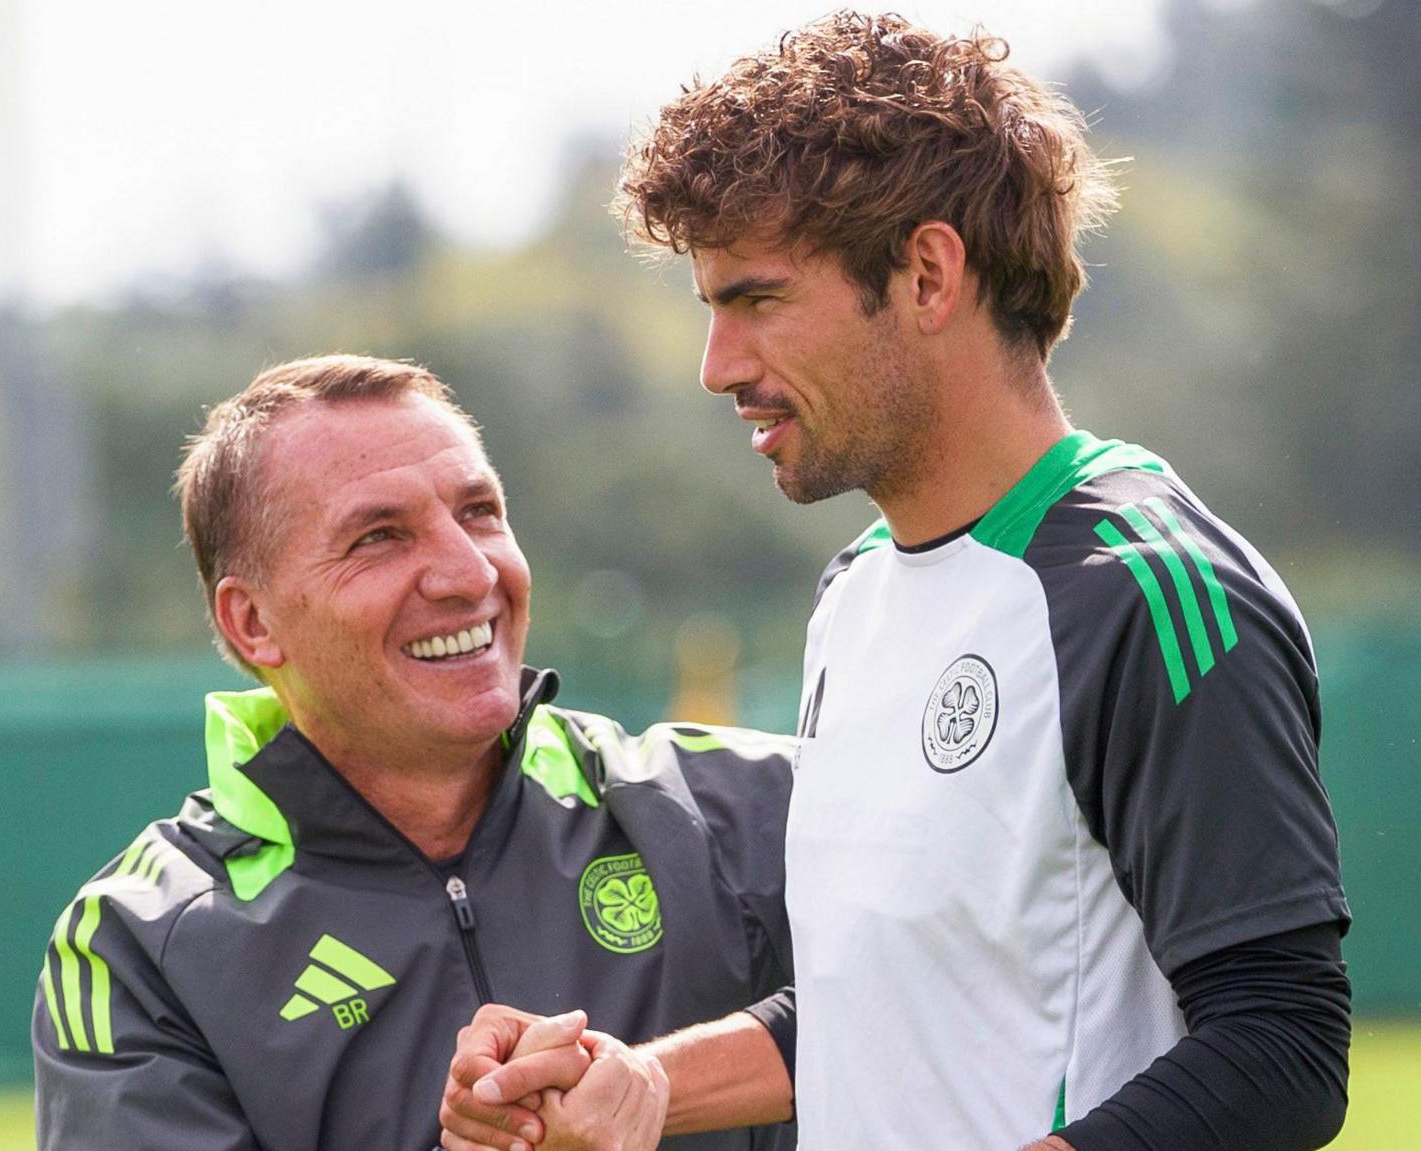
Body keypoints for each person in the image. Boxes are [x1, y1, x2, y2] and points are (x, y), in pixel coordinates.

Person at [443, 12, 1352, 1151]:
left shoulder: (1148, 591)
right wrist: (642, 1079)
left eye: (756, 301)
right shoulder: (856, 592)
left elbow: (1281, 1045)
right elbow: (893, 1003)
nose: (717, 368)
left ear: (926, 275)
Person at [31, 355, 798, 1151]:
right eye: (380, 536)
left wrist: (654, 1081)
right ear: (252, 622)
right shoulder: (141, 943)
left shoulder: (726, 806)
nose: (470, 574)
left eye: (479, 512)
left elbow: (933, 989)